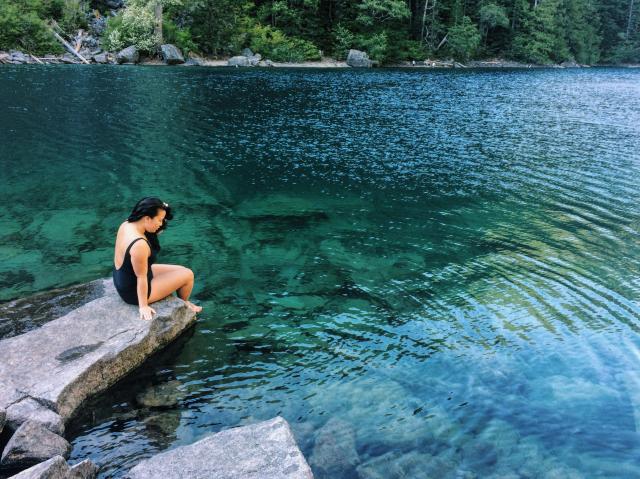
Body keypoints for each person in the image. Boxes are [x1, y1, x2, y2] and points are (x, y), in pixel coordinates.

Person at [113, 197, 202, 320]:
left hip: (123, 278)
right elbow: (141, 277)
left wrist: (162, 212)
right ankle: (184, 304)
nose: (161, 224)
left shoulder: (127, 224)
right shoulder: (139, 244)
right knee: (188, 275)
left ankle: (182, 302)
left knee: (181, 269)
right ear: (147, 218)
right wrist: (143, 306)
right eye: (159, 220)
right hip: (133, 291)